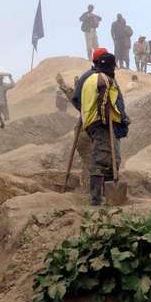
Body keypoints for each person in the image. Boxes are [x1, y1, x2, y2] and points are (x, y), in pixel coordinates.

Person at [71, 49, 130, 206]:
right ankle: (97, 198)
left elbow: (78, 99)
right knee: (102, 158)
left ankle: (107, 194)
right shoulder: (102, 79)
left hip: (95, 122)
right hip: (103, 123)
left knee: (112, 159)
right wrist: (110, 119)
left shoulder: (90, 77)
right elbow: (106, 102)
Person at [56, 73, 92, 188]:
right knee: (91, 161)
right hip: (87, 133)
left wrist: (63, 85)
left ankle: (89, 186)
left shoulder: (85, 98)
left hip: (85, 132)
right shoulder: (88, 98)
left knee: (89, 161)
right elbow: (75, 99)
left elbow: (74, 98)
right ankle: (90, 186)